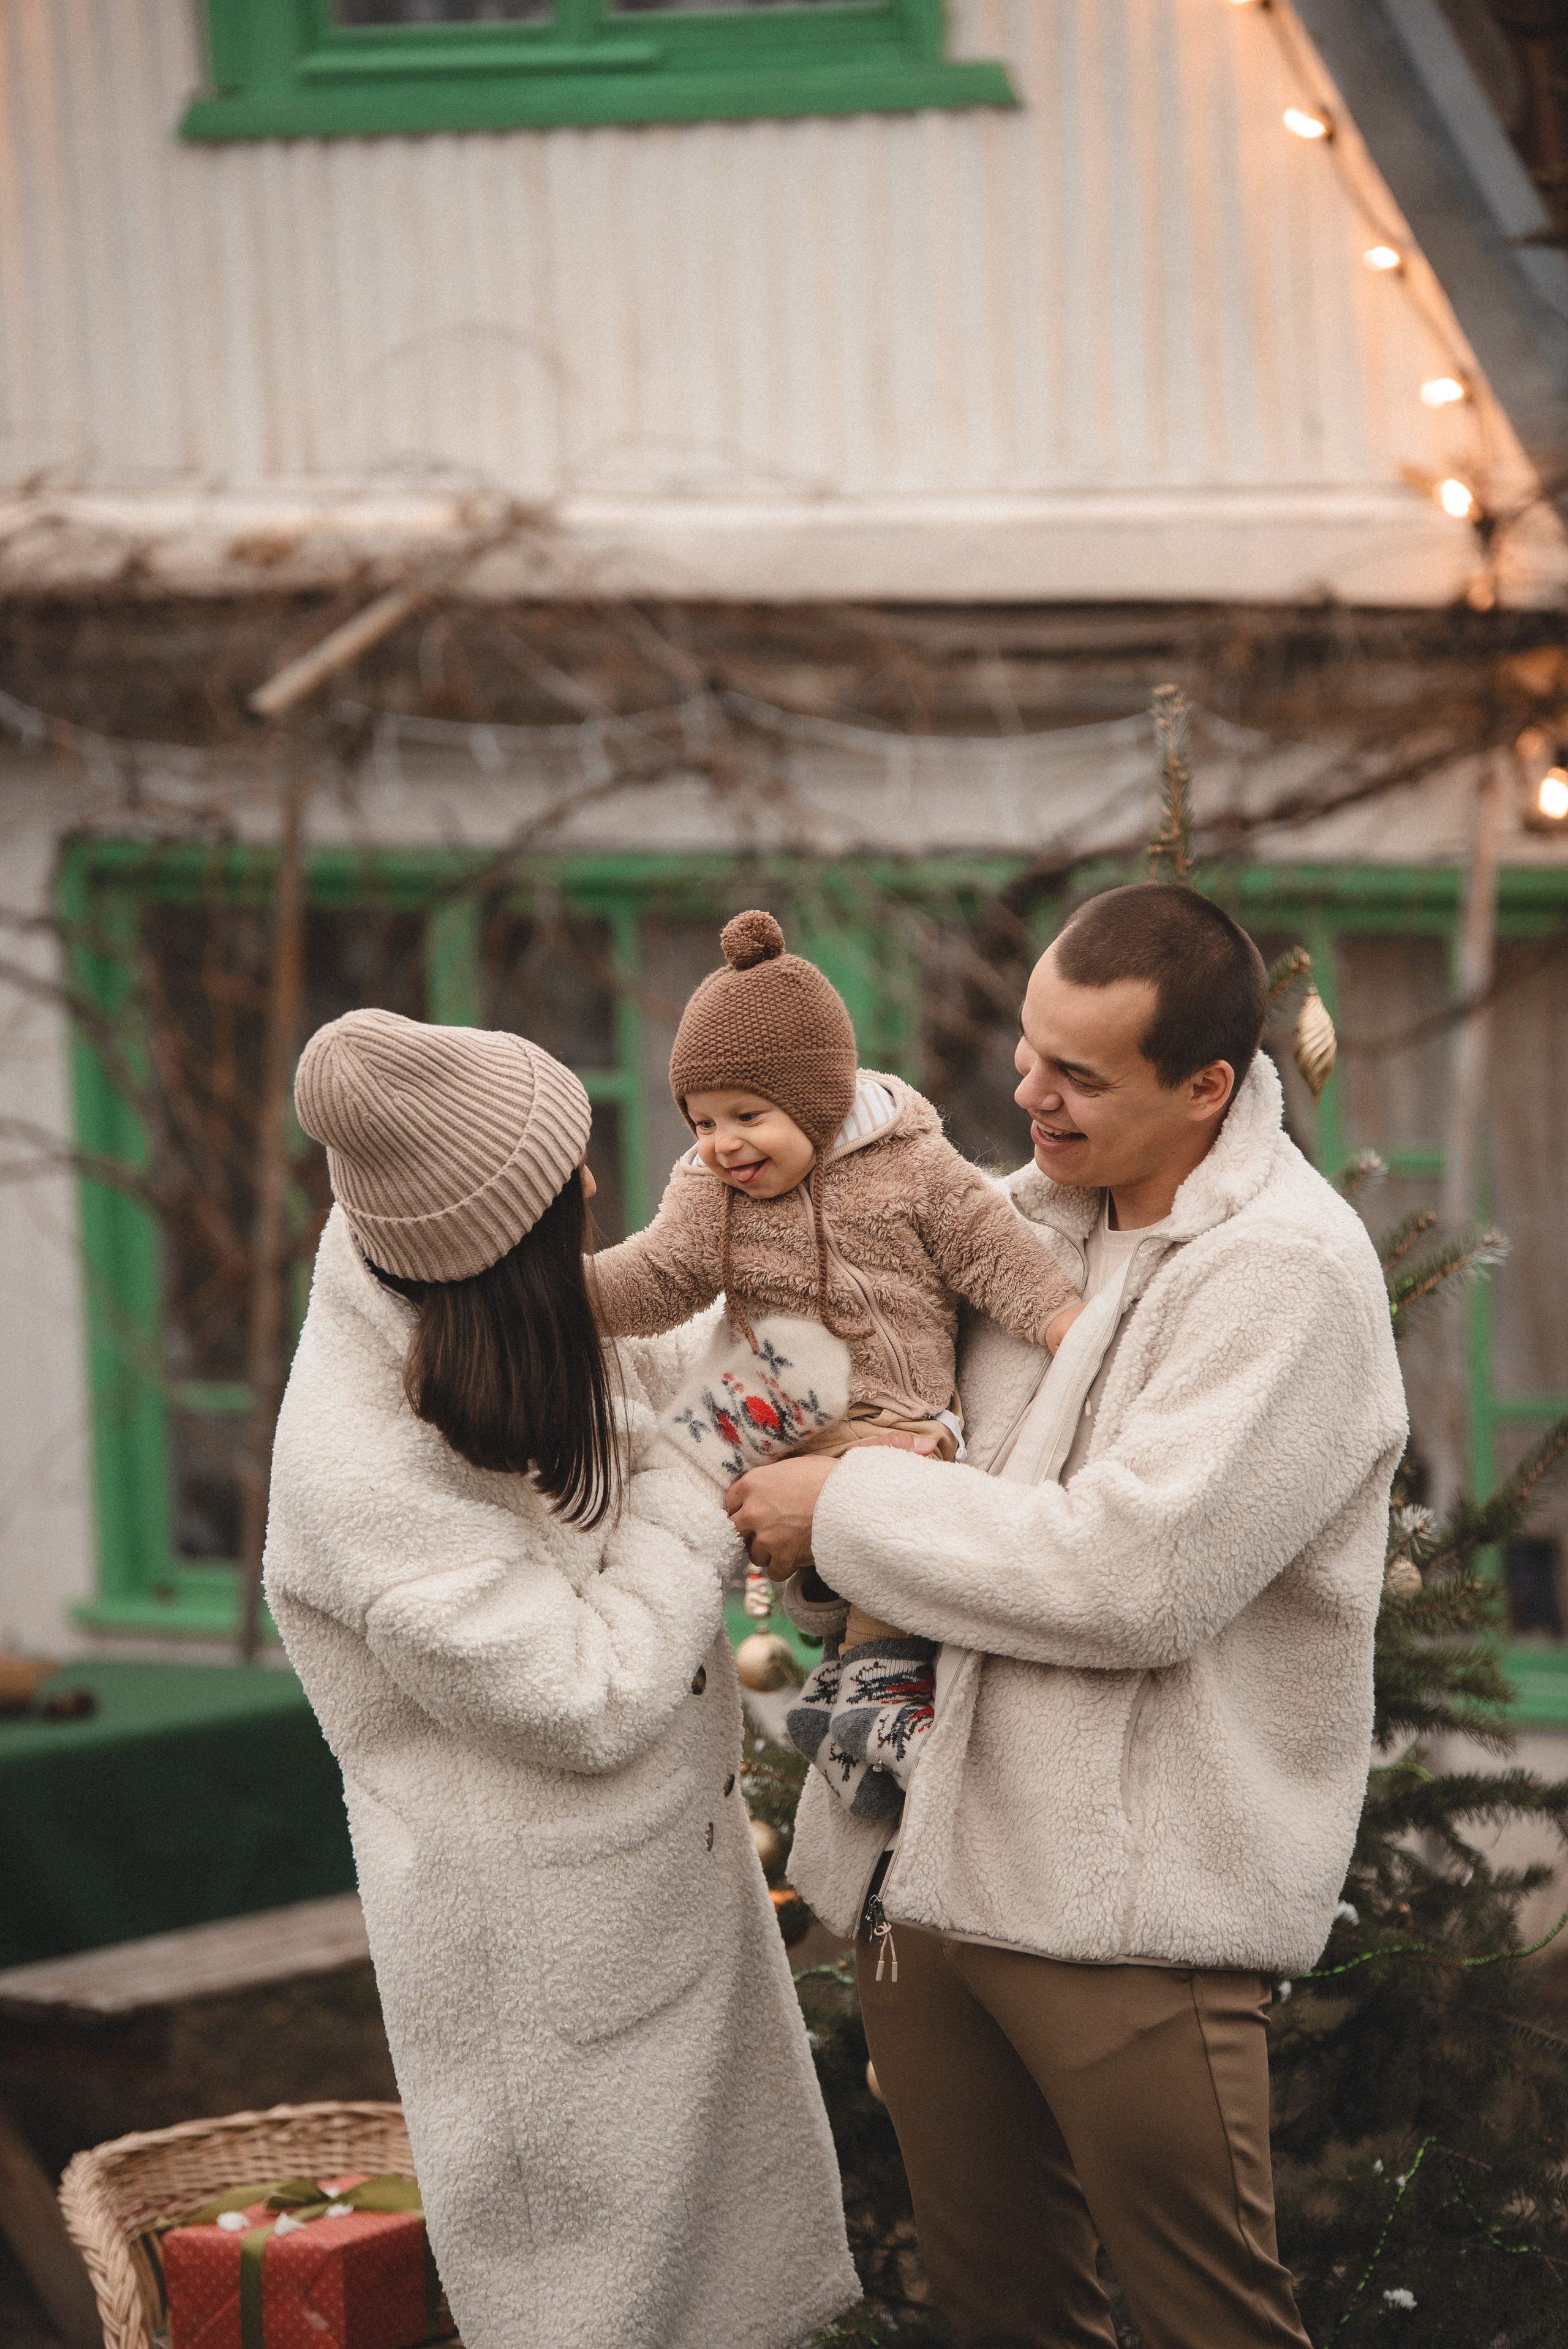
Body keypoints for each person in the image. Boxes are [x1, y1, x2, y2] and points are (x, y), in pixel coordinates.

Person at [725, 884, 1408, 2349]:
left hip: (1124, 1912)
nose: (1028, 1091)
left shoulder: (1285, 1274)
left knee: (1207, 2321)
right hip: (917, 1872)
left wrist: (840, 1508)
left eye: (1078, 1074)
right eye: (1029, 1050)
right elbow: (892, 1452)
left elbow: (1135, 1578)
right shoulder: (998, 1222)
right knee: (1000, 2315)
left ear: (1205, 1087)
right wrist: (815, 1517)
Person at [263, 1007, 859, 2349]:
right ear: (497, 1243)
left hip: (653, 1908)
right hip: (543, 1982)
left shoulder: (484, 1300)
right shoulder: (359, 1470)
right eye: (561, 1184)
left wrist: (824, 1271)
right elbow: (583, 1694)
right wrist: (705, 1472)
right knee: (598, 2315)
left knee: (738, 2305)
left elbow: (711, 1368)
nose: (593, 1185)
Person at [590, 908, 1084, 1817]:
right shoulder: (710, 1192)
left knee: (896, 1515)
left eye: (748, 1116)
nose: (723, 1143)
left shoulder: (913, 1167)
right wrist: (566, 1300)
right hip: (772, 1409)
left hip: (896, 1415)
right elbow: (659, 1275)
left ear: (817, 1102)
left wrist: (1060, 1321)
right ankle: (824, 1681)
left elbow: (990, 1247)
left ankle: (863, 1691)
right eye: (702, 1121)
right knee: (677, 1477)